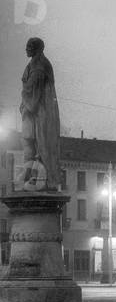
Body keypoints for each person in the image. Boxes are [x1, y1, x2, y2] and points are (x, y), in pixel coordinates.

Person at [20, 37, 60, 189]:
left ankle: (39, 178)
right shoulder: (35, 63)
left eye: (29, 46)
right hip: (36, 109)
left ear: (36, 48)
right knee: (33, 142)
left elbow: (31, 89)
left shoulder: (39, 65)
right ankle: (33, 176)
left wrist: (25, 101)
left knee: (39, 142)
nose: (26, 49)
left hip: (40, 110)